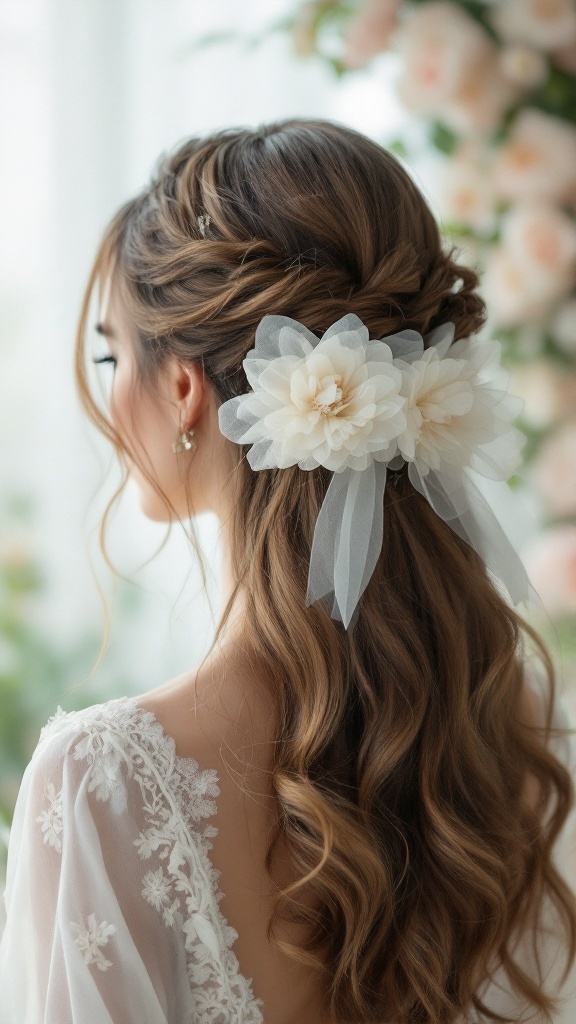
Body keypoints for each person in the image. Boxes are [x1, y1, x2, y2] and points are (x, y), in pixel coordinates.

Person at [0, 118, 575, 1024]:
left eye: (114, 354)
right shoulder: (517, 725)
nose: (109, 394)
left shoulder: (98, 784)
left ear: (185, 388)